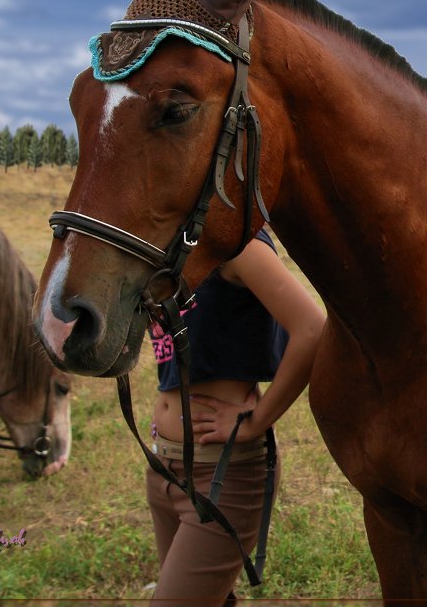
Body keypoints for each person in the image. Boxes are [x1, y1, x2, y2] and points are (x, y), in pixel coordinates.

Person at [145, 227, 325, 606]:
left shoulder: (235, 245)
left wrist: (257, 421)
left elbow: (311, 329)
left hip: (224, 475)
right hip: (164, 468)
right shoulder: (168, 243)